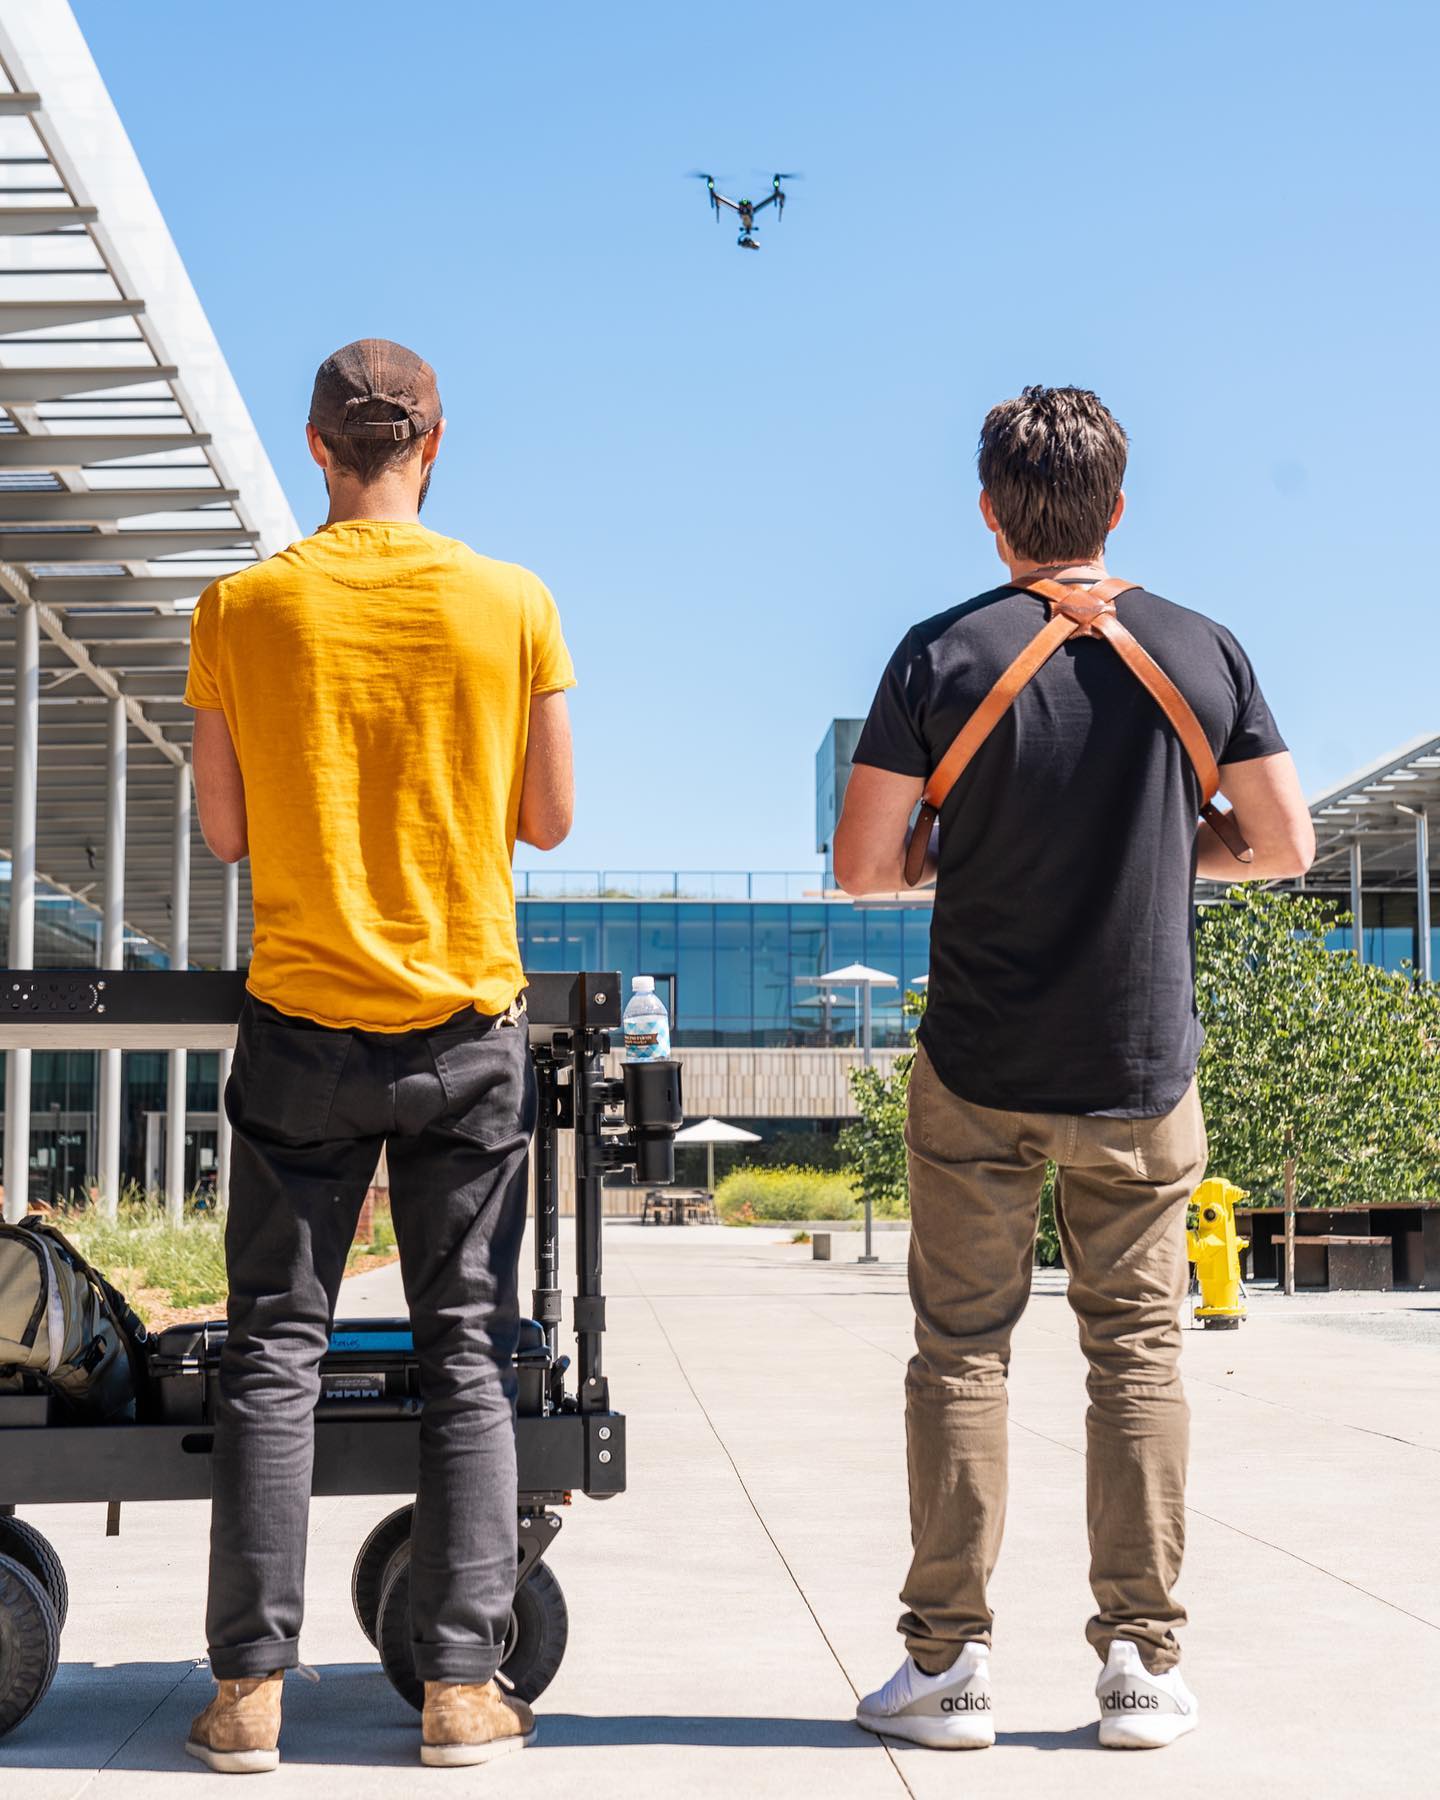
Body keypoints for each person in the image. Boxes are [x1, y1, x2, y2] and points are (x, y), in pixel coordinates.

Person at [835, 386, 1314, 1752]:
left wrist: (964, 848)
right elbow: (1283, 845)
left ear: (991, 515)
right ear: (1118, 507)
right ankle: (1142, 1669)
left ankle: (946, 1670)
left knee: (961, 1357)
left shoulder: (940, 654)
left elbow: (865, 865)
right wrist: (1174, 845)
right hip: (1141, 1068)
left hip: (979, 1063)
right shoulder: (1202, 649)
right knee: (1139, 1357)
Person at [182, 339, 575, 1772]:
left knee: (272, 1351)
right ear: (435, 442)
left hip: (302, 1026)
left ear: (317, 446)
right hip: (464, 1027)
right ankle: (461, 1691)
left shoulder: (241, 608)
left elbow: (227, 834)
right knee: (467, 1350)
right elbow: (549, 820)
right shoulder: (512, 602)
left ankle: (248, 1696)